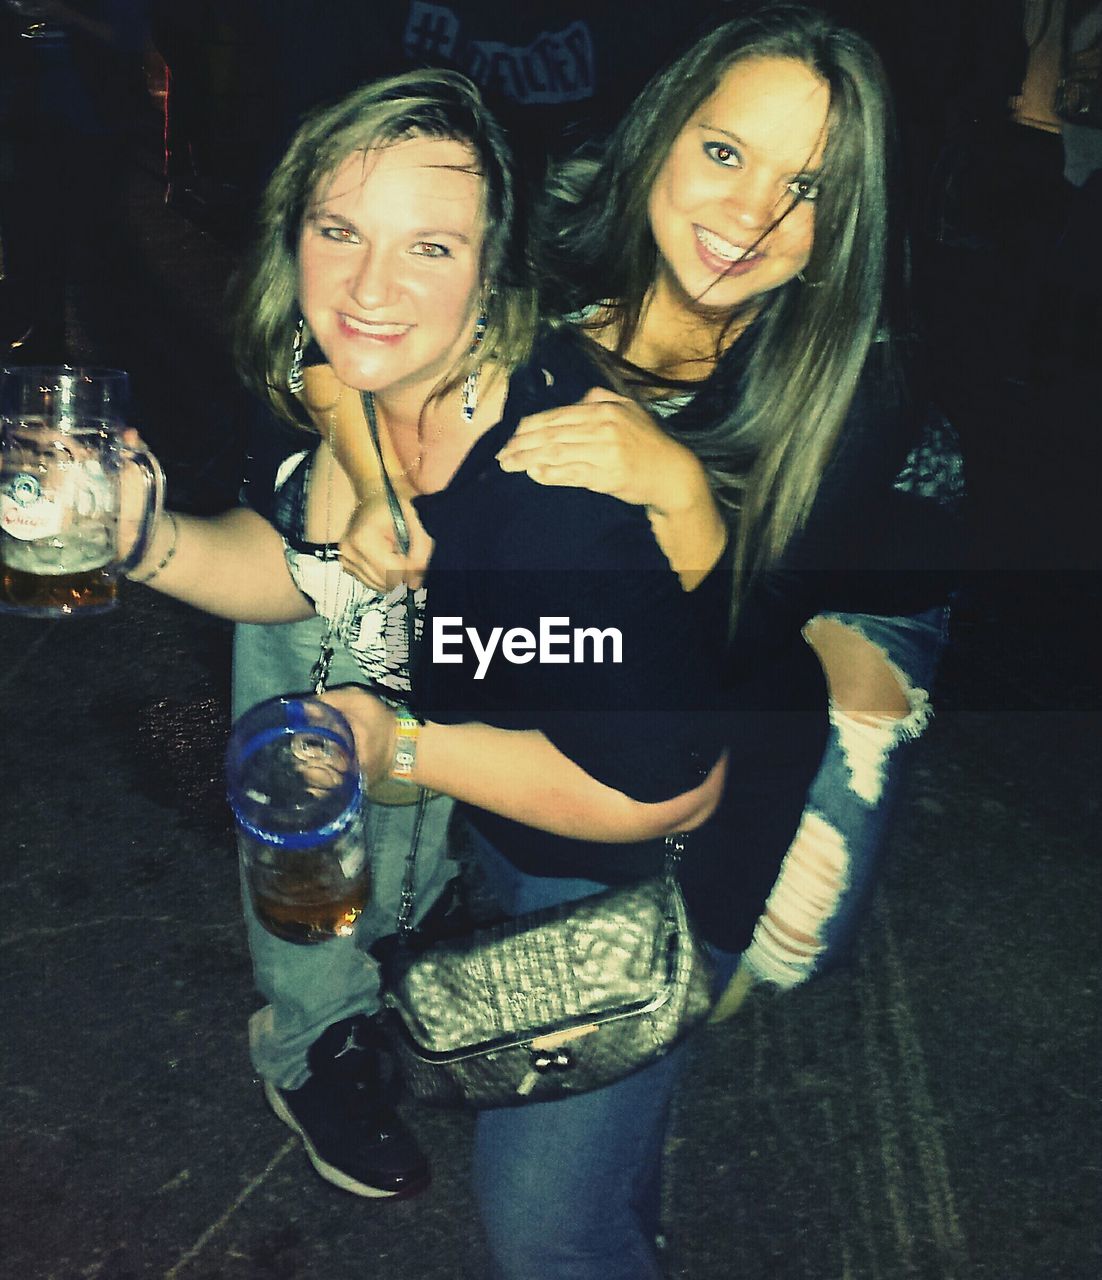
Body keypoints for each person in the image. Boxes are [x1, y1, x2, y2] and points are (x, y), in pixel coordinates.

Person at [319, 6, 960, 1275]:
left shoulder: (848, 381)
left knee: (548, 1228)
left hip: (658, 821)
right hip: (500, 732)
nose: (754, 219)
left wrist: (676, 487)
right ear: (663, 130)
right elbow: (336, 323)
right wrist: (367, 471)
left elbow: (736, 652)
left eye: (807, 188)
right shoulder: (544, 232)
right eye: (725, 154)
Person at [122, 69, 725, 1209]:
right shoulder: (340, 358)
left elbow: (669, 792)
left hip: (591, 824)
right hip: (436, 687)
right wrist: (138, 537)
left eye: (430, 249)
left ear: (494, 270)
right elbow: (283, 570)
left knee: (547, 1218)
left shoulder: (553, 494)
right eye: (336, 229)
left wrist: (395, 747)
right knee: (305, 776)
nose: (366, 287)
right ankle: (316, 1045)